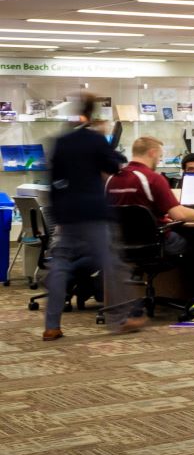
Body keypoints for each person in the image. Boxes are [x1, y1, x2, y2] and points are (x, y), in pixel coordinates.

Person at [41, 92, 139, 340]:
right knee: (111, 264)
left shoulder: (61, 141)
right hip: (93, 212)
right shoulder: (95, 139)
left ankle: (51, 325)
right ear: (94, 114)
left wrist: (58, 213)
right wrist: (109, 144)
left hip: (65, 212)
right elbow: (115, 165)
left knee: (60, 265)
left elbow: (53, 181)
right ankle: (121, 319)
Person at [108, 135, 194, 256]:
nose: (159, 160)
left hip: (118, 244)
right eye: (160, 157)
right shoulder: (153, 178)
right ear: (152, 153)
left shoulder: (112, 179)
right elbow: (179, 214)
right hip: (157, 242)